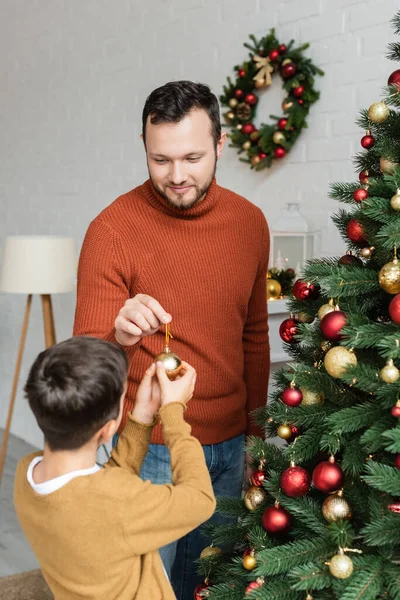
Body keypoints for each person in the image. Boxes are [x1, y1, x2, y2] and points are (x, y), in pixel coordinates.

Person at [73, 80, 270, 598]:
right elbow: (83, 367)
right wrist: (117, 334)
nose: (177, 176)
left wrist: (255, 434)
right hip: (151, 450)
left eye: (192, 157)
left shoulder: (250, 224)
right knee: (141, 589)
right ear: (144, 148)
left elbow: (253, 337)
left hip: (229, 448)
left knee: (209, 586)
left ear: (221, 145)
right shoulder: (111, 229)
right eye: (160, 160)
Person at [14, 336, 215, 600]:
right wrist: (173, 414)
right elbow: (200, 499)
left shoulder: (26, 471)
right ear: (108, 430)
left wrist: (142, 417)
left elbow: (103, 488)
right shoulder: (116, 502)